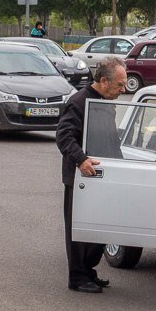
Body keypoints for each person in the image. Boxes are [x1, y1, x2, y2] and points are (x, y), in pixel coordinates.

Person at [55, 57, 127, 293]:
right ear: (104, 81)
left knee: (100, 227)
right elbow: (64, 136)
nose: (123, 90)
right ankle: (77, 277)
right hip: (82, 178)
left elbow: (110, 138)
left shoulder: (105, 102)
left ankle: (88, 271)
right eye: (119, 85)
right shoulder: (79, 102)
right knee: (79, 229)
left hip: (103, 176)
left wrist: (121, 165)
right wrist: (81, 159)